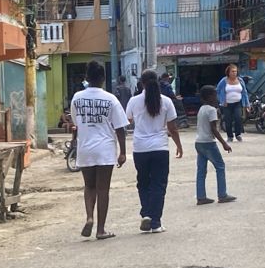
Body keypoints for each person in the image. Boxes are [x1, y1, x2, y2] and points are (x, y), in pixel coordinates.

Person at [70, 60, 129, 240]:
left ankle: (89, 217)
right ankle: (100, 230)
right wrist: (123, 152)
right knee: (103, 189)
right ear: (103, 78)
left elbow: (76, 122)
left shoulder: (77, 98)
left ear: (87, 78)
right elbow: (120, 128)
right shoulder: (110, 99)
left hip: (85, 148)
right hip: (104, 149)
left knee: (89, 186)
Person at [128, 69, 184, 232]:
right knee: (158, 184)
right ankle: (156, 222)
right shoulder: (166, 101)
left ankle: (146, 213)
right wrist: (179, 146)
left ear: (142, 83)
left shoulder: (134, 101)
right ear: (158, 82)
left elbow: (128, 119)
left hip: (140, 148)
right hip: (160, 148)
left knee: (143, 182)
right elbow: (172, 128)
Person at [193, 85, 237, 206]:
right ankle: (222, 194)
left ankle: (201, 197)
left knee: (201, 170)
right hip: (208, 142)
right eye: (214, 95)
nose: (216, 97)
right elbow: (214, 129)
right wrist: (224, 143)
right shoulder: (212, 110)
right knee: (220, 166)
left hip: (199, 142)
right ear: (209, 97)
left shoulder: (202, 109)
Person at [216, 64, 249, 143]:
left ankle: (238, 134)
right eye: (232, 71)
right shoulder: (224, 81)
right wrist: (222, 101)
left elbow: (244, 92)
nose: (234, 73)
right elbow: (217, 91)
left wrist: (247, 104)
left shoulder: (240, 80)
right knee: (228, 120)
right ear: (228, 72)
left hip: (238, 103)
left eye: (235, 71)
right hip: (227, 104)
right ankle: (230, 136)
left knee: (238, 118)